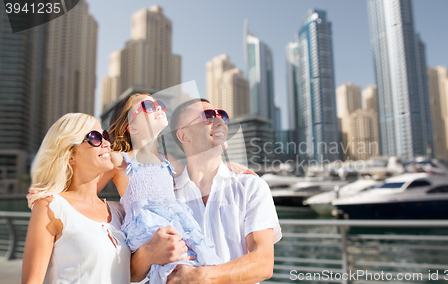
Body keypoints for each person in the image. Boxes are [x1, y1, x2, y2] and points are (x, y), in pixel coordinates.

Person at [101, 92, 255, 283]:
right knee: (177, 269)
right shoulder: (120, 160)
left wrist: (227, 167)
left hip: (176, 225)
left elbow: (200, 168)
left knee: (196, 262)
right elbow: (88, 185)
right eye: (148, 106)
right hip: (147, 228)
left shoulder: (168, 160)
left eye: (158, 103)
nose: (157, 106)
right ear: (131, 127)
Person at [131, 98, 282, 284]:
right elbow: (134, 273)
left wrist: (202, 277)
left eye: (222, 115)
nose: (220, 122)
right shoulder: (166, 196)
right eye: (208, 116)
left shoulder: (250, 187)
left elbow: (263, 263)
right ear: (183, 135)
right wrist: (146, 254)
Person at [22, 113, 130, 284]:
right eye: (95, 137)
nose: (107, 143)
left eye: (105, 136)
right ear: (70, 155)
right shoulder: (51, 207)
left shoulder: (119, 211)